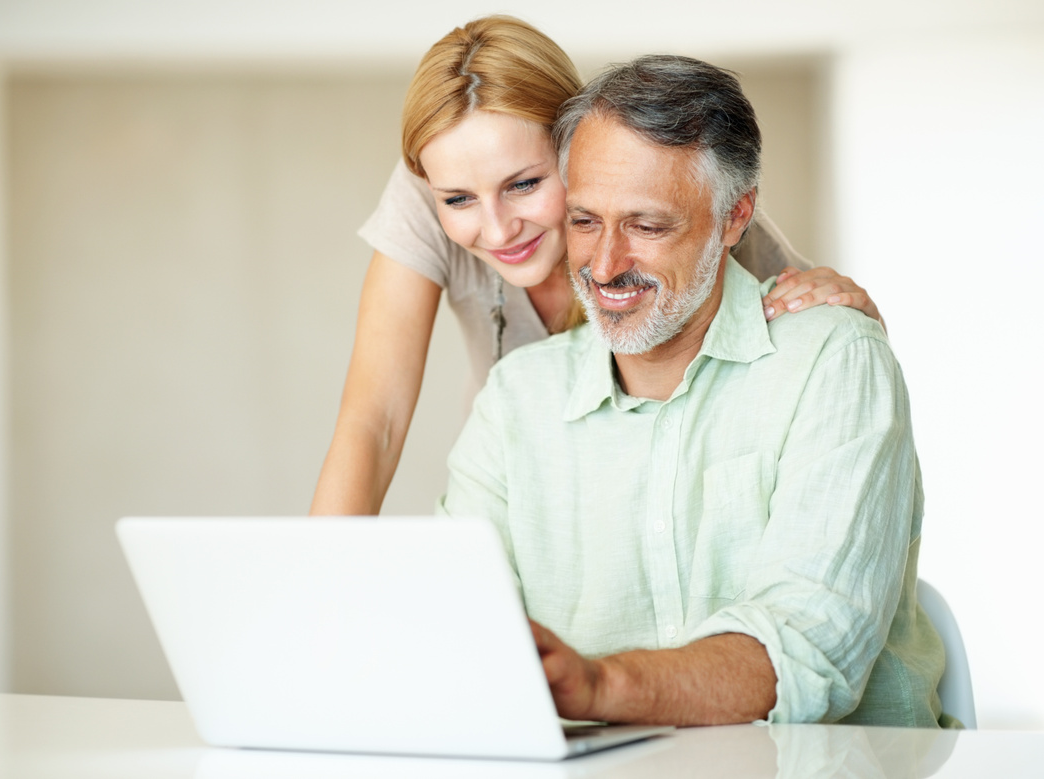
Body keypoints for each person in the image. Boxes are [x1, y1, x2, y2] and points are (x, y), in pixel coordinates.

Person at [438, 54, 948, 727]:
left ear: (735, 217)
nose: (605, 265)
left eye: (647, 226)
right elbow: (455, 627)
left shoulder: (832, 361)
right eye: (585, 221)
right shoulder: (515, 400)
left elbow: (810, 649)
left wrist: (600, 685)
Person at [310, 16, 881, 516]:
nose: (498, 228)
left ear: (576, 149)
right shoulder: (424, 198)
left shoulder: (674, 208)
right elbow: (374, 420)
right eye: (457, 199)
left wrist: (846, 305)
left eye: (526, 184)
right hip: (532, 485)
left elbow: (840, 343)